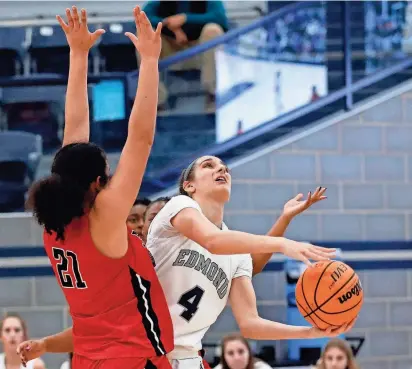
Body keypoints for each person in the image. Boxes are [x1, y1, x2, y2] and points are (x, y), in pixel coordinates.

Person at [18, 158, 352, 368]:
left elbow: (250, 324)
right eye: (209, 166)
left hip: (189, 359)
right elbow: (212, 241)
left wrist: (313, 330)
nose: (221, 169)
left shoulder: (237, 254)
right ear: (189, 185)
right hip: (142, 354)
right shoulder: (174, 210)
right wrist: (282, 242)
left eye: (224, 167)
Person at [21, 5, 173, 369]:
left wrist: (78, 54)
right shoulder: (102, 217)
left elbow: (74, 131)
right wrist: (150, 60)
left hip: (88, 359)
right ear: (96, 183)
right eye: (106, 174)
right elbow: (140, 139)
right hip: (131, 358)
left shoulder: (54, 222)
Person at [142, 1, 229, 110]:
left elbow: (220, 18)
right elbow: (141, 18)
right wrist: (169, 25)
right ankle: (156, 100)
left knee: (213, 30)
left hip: (200, 48)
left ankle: (213, 94)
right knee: (146, 34)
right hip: (171, 46)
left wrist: (185, 18)